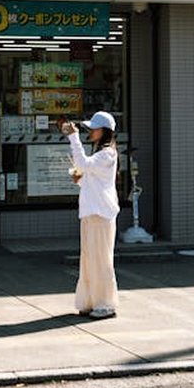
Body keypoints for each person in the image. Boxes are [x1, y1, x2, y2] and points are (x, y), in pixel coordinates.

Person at [63, 111, 121, 320]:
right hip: (92, 212)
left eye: (93, 128)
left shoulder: (107, 153)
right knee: (89, 260)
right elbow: (89, 176)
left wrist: (73, 137)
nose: (90, 131)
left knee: (100, 261)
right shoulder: (102, 153)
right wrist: (79, 180)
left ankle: (105, 304)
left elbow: (84, 165)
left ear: (104, 131)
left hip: (99, 214)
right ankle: (91, 302)